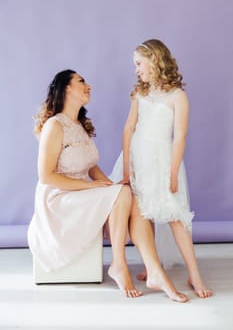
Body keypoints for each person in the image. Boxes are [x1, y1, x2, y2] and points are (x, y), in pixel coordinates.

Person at [111, 39, 212, 298]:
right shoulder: (140, 94)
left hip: (164, 161)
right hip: (137, 159)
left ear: (154, 59)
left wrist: (173, 172)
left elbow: (179, 137)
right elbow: (128, 128)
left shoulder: (178, 96)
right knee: (143, 213)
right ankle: (151, 265)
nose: (136, 70)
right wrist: (126, 167)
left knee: (175, 217)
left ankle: (194, 274)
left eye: (138, 63)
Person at [27, 69, 142, 298]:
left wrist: (111, 185)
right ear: (66, 88)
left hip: (79, 194)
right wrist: (92, 187)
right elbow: (46, 176)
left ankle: (149, 263)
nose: (89, 86)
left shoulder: (79, 125)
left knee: (126, 192)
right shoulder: (54, 126)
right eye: (82, 81)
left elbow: (91, 167)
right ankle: (119, 263)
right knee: (120, 193)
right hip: (58, 200)